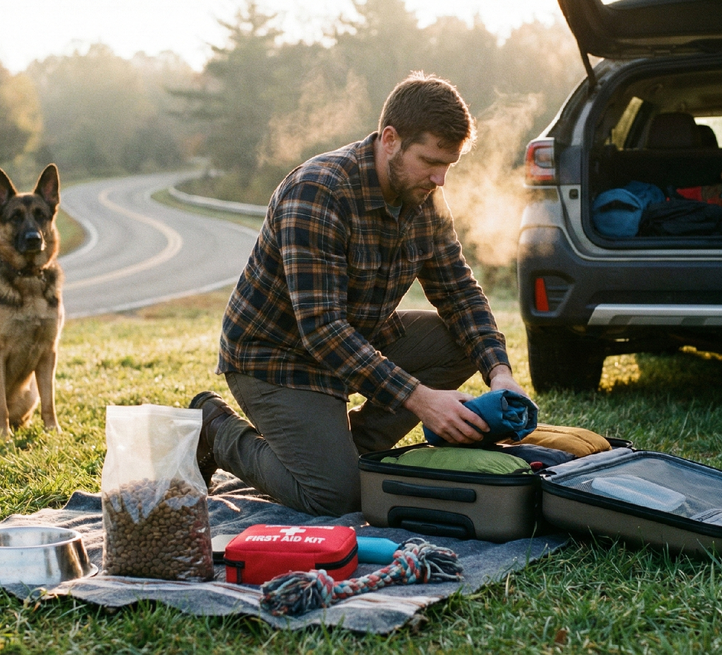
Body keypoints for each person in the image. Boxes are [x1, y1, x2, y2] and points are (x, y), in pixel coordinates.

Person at [190, 72, 527, 516]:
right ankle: (214, 428)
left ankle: (344, 452)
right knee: (336, 497)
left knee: (462, 343)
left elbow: (459, 292)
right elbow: (322, 329)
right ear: (390, 139)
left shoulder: (424, 195)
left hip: (359, 340)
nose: (441, 179)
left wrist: (499, 372)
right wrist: (422, 399)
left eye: (449, 165)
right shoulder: (317, 191)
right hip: (276, 358)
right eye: (430, 161)